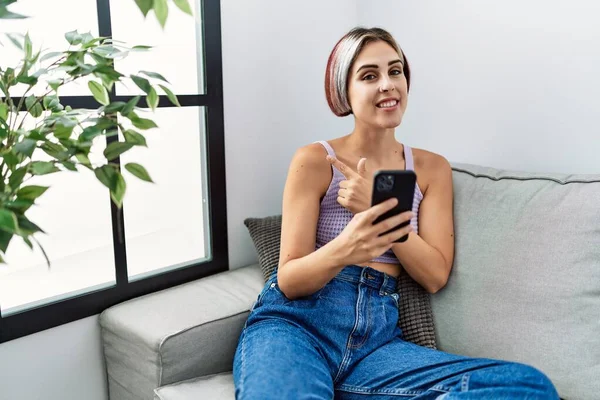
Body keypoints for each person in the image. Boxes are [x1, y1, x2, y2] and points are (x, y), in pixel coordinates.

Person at [233, 27, 560, 400]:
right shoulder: (314, 160)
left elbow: (434, 275)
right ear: (344, 91)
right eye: (369, 76)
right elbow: (290, 280)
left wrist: (379, 209)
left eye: (396, 71)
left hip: (377, 344)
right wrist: (347, 247)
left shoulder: (430, 168)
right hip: (299, 326)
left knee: (528, 386)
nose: (388, 84)